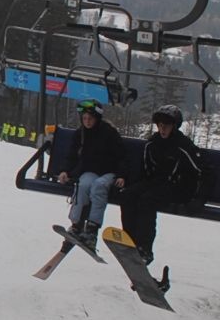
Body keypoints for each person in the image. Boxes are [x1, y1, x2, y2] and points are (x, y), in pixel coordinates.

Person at [117, 105, 203, 266]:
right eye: (160, 125)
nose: (162, 129)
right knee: (127, 195)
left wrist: (198, 198)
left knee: (147, 200)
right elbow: (145, 171)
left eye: (167, 126)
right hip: (157, 183)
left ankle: (145, 248)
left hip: (180, 187)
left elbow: (200, 171)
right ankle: (130, 240)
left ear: (174, 126)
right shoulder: (153, 143)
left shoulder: (182, 146)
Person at [55, 99, 126, 246]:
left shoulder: (109, 133)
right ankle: (76, 224)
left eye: (90, 119)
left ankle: (92, 229)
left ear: (97, 118)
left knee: (99, 187)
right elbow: (72, 155)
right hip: (90, 171)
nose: (87, 122)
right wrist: (65, 171)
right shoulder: (80, 134)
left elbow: (122, 156)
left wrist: (121, 175)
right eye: (84, 118)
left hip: (109, 173)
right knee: (83, 185)